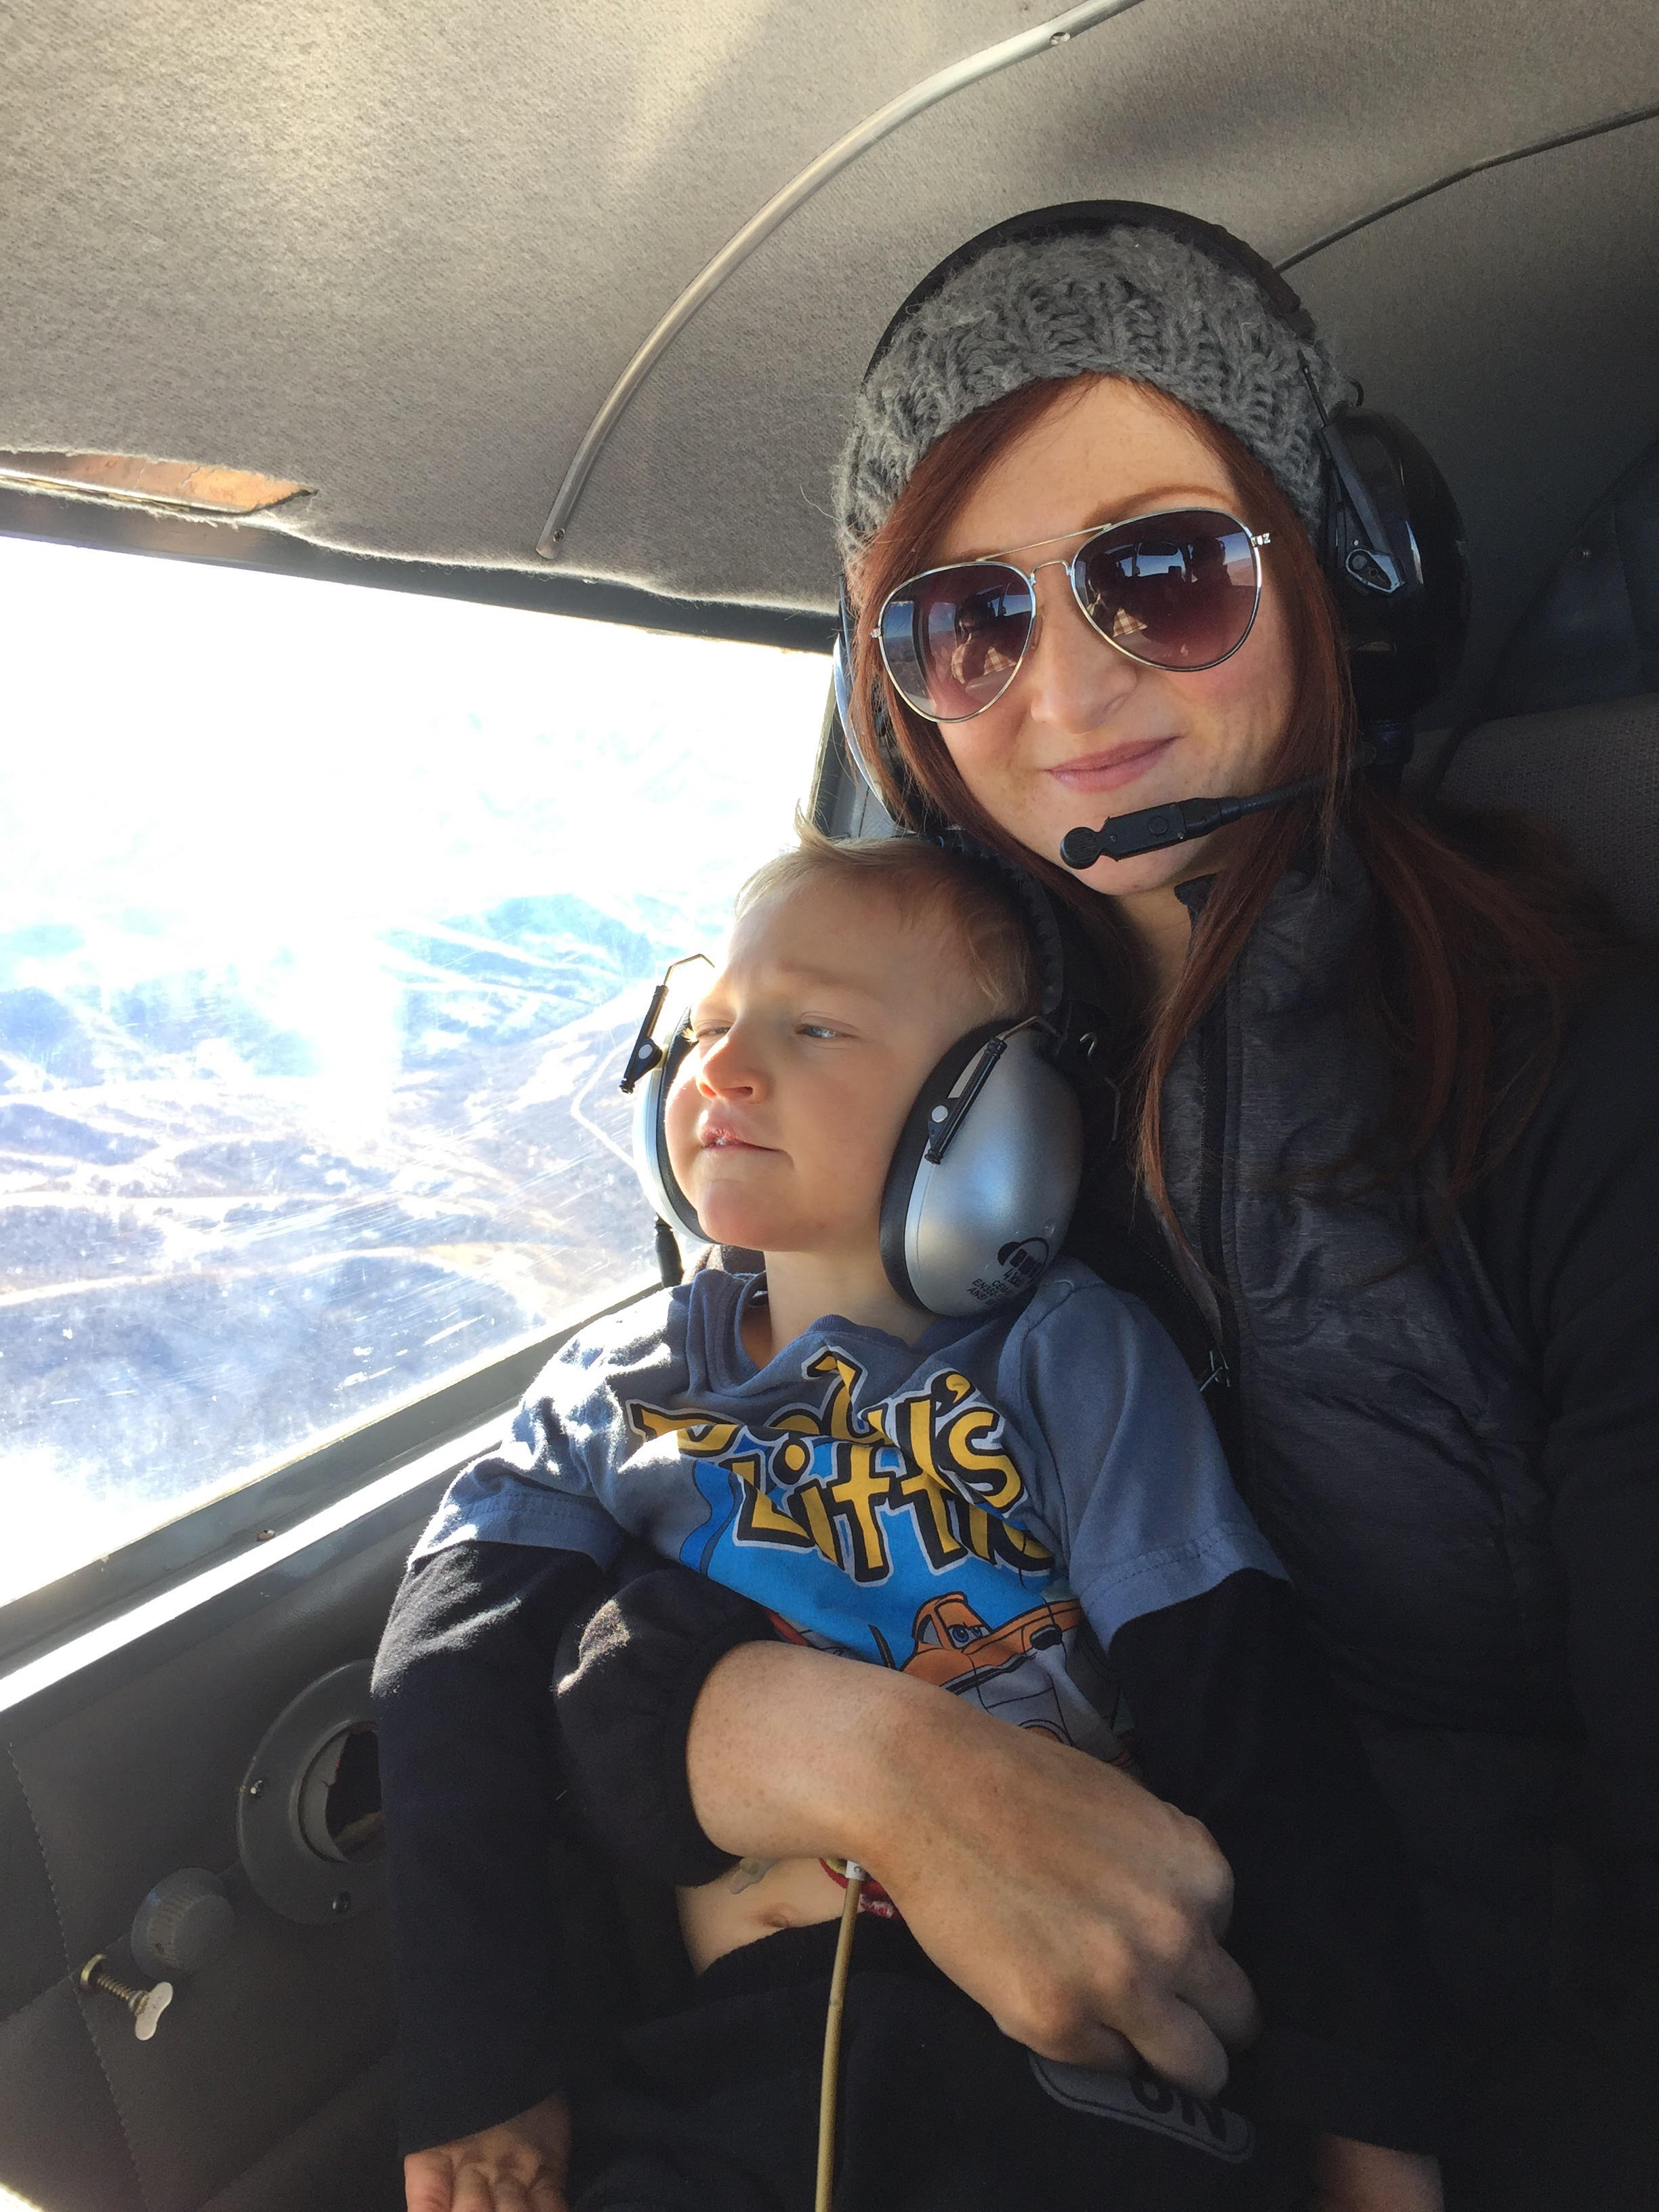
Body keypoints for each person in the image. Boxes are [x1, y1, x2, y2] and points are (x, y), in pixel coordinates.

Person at [507, 208, 1658, 2212]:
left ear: (1334, 582)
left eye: (1165, 571)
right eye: (970, 620)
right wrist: (843, 1754)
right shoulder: (910, 1070)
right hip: (992, 2053)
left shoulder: (1575, 1080)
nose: (1068, 687)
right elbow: (668, 1514)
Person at [374, 831, 1443, 2212]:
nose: (723, 1070)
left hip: (1073, 2075)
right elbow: (447, 1680)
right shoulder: (604, 1393)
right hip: (733, 2070)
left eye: (812, 1027)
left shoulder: (1076, 1363)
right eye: (709, 1026)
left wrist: (1367, 2139)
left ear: (998, 1115)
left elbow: (1252, 1721)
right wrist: (486, 2077)